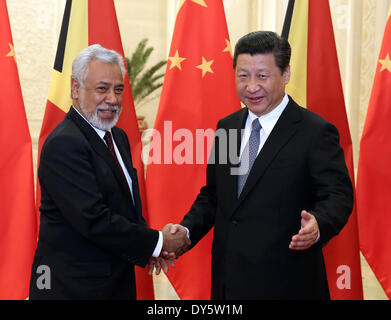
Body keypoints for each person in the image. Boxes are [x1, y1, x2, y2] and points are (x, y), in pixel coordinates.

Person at [165, 31, 353, 299]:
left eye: (262, 76)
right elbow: (215, 195)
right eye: (243, 76)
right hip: (229, 282)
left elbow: (339, 195)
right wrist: (185, 230)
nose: (251, 86)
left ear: (285, 74)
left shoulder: (315, 132)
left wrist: (319, 225)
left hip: (288, 283)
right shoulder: (228, 127)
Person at [29, 44, 189, 300]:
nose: (113, 99)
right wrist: (157, 242)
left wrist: (150, 247)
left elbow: (123, 206)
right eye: (102, 89)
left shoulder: (118, 137)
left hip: (114, 283)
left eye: (118, 89)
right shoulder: (65, 143)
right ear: (75, 88)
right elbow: (94, 219)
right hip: (74, 289)